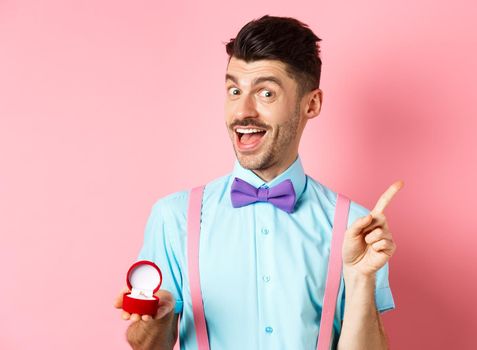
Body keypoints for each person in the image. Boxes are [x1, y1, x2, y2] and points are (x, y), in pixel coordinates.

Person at [114, 15, 402, 350]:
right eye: (234, 90)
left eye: (266, 93)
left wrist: (361, 278)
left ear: (311, 104)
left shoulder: (356, 227)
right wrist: (156, 320)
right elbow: (149, 345)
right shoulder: (173, 216)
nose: (242, 111)